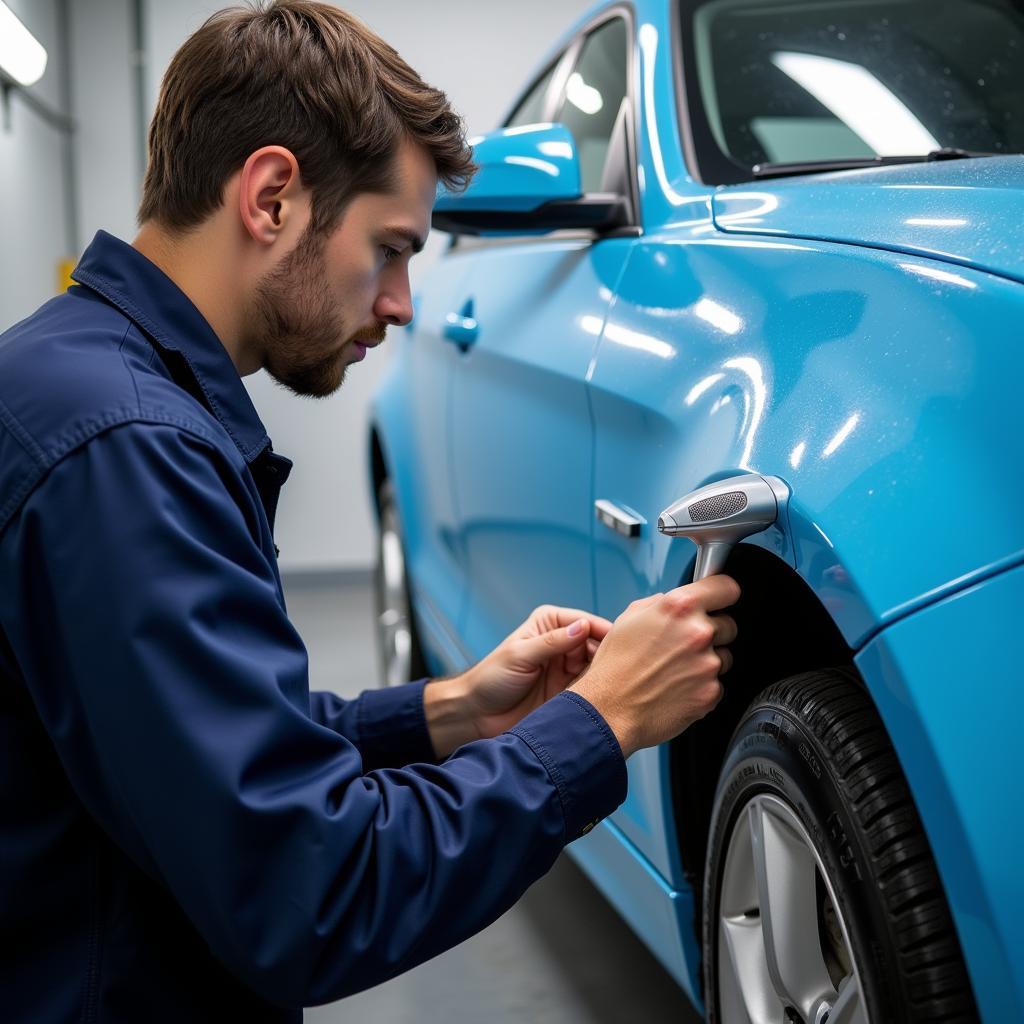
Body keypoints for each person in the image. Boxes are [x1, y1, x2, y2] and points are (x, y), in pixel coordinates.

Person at [0, 2, 740, 1021]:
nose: (400, 303)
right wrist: (598, 724)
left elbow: (197, 744)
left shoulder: (77, 382)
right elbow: (307, 889)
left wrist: (450, 711)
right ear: (271, 199)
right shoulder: (127, 454)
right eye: (390, 248)